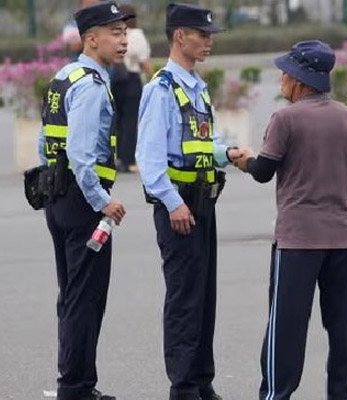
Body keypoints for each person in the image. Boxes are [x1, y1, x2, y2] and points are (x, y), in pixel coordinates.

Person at [235, 40, 347, 400]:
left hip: (298, 245)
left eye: (285, 73)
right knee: (344, 332)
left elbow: (263, 171)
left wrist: (241, 159)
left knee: (286, 330)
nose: (281, 80)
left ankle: (276, 395)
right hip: (344, 244)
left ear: (300, 79)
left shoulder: (285, 119)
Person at [135, 3, 242, 400]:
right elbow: (148, 159)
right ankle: (182, 387)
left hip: (202, 205)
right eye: (202, 34)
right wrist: (172, 202)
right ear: (180, 36)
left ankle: (201, 381)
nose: (209, 41)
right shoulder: (160, 89)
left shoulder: (196, 87)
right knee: (184, 299)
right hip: (178, 208)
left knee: (203, 298)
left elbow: (199, 144)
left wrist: (228, 153)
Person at [37, 2, 131, 399]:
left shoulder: (64, 76)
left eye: (125, 31)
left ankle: (75, 382)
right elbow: (80, 152)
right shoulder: (91, 85)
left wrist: (50, 184)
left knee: (72, 294)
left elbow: (46, 142)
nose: (124, 39)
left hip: (58, 197)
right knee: (85, 298)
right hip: (82, 203)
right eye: (114, 33)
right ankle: (75, 387)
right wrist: (101, 199)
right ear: (91, 39)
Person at [111, 3, 153, 173]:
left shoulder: (114, 35)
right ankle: (128, 160)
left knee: (117, 121)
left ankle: (118, 157)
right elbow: (144, 62)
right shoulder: (136, 35)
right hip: (131, 80)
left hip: (115, 80)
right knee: (130, 121)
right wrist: (154, 77)